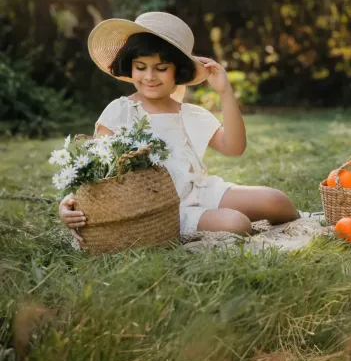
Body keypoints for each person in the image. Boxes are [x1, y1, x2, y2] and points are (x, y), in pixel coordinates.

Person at [59, 12, 299, 243]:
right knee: (237, 223)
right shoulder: (120, 111)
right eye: (141, 67)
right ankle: (206, 220)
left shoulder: (189, 114)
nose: (150, 76)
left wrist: (225, 91)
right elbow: (95, 170)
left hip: (201, 191)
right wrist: (70, 202)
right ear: (130, 67)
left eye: (161, 68)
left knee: (278, 202)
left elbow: (235, 147)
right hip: (163, 207)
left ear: (178, 71)